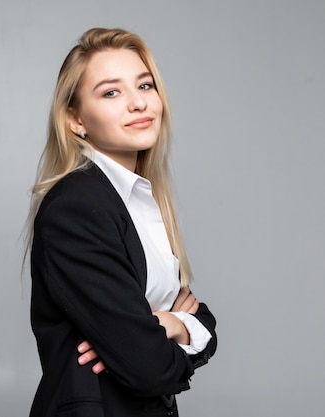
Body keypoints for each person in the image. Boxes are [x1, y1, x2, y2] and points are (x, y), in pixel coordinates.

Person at [26, 28, 217, 417]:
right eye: (111, 92)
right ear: (75, 119)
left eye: (145, 85)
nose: (137, 103)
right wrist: (173, 329)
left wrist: (169, 324)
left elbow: (202, 320)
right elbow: (150, 367)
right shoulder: (77, 207)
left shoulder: (137, 200)